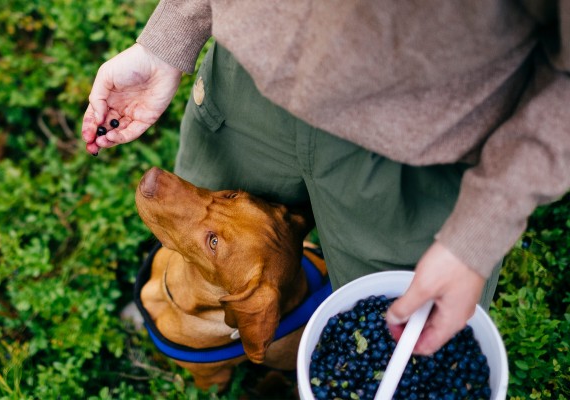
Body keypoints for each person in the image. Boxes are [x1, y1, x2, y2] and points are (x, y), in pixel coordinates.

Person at [81, 1, 570, 356]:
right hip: (247, 87)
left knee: (395, 338)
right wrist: (171, 36)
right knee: (211, 242)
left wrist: (478, 233)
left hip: (416, 157)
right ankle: (186, 316)